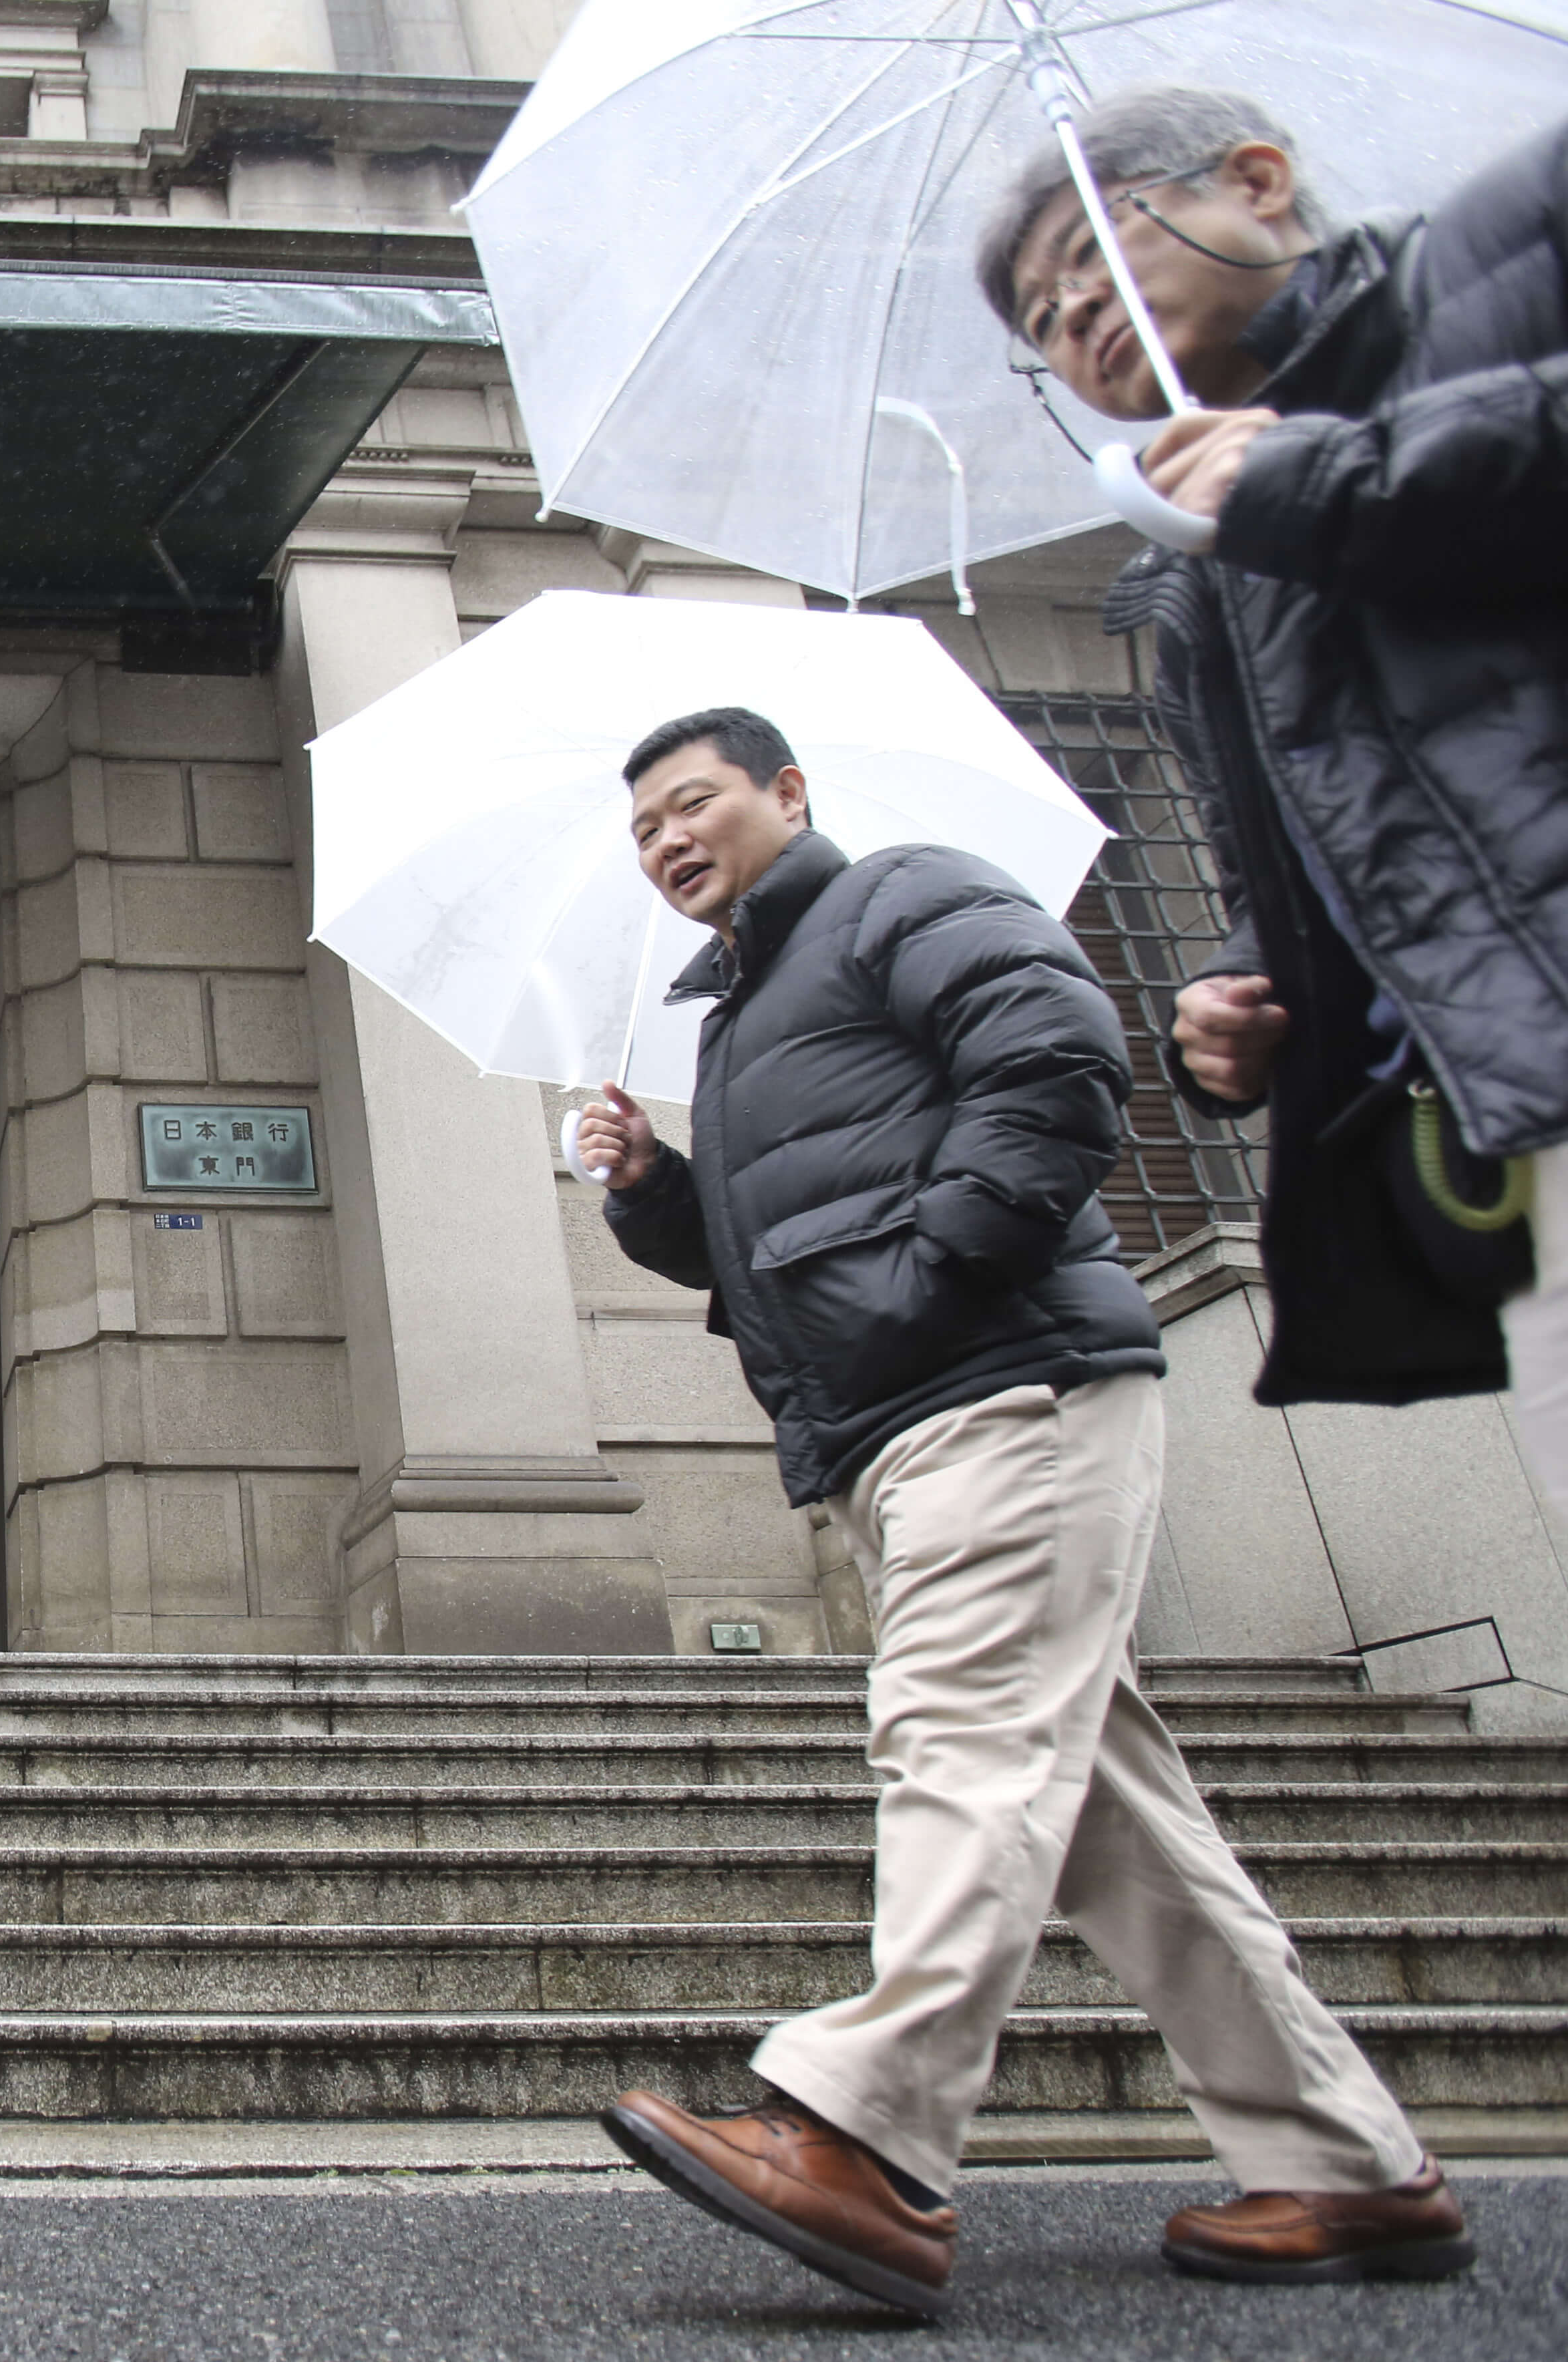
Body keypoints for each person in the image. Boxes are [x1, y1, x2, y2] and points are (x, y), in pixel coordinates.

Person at [576, 709, 1464, 2318]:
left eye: (691, 803)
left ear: (788, 791)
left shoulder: (899, 895)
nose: (665, 842)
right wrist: (656, 1191)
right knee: (1115, 1823)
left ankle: (865, 2133)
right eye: (642, 830)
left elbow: (1053, 1049)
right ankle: (1346, 2167)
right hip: (894, 1424)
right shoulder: (739, 1017)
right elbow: (766, 1263)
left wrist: (937, 1278)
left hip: (999, 1386)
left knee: (959, 1733)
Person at [978, 87, 1568, 1438]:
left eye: (1087, 254)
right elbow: (1293, 868)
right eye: (1037, 324)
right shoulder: (1195, 593)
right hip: (1510, 1112)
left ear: (1250, 181)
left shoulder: (1504, 249)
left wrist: (1339, 475)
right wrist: (1230, 1006)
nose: (1071, 316)